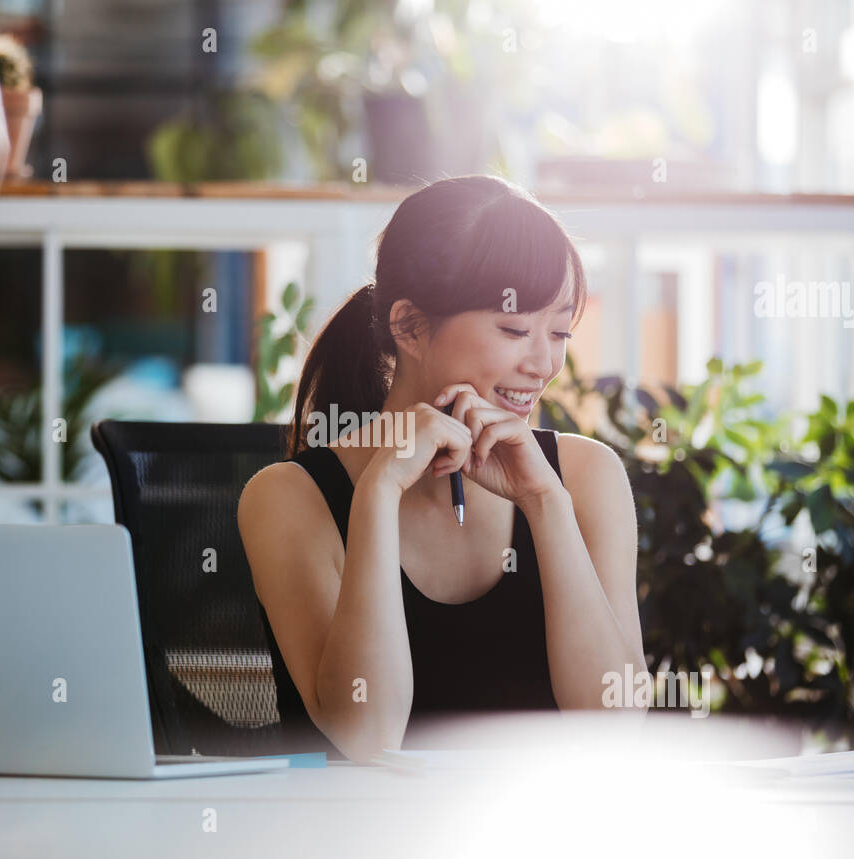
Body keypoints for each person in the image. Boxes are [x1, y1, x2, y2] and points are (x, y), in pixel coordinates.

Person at [237, 174, 649, 763]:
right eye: (513, 329)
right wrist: (378, 492)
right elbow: (367, 735)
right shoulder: (288, 497)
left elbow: (613, 729)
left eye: (558, 331)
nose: (544, 363)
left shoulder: (586, 477)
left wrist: (544, 502)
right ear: (408, 326)